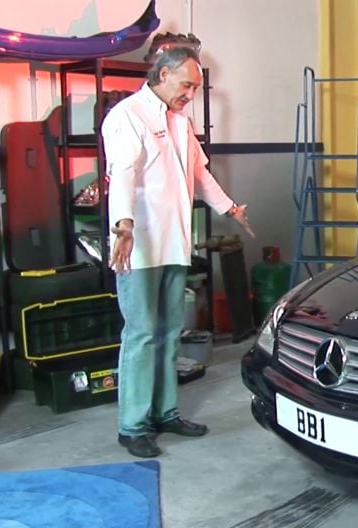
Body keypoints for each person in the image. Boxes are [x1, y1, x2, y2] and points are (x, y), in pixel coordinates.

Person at [103, 46, 255, 458]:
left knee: (170, 332)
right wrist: (124, 225)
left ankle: (165, 411)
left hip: (173, 243)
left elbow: (199, 174)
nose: (191, 93)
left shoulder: (180, 121)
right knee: (140, 335)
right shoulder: (128, 116)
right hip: (138, 245)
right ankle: (132, 425)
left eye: (196, 87)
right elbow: (122, 174)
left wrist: (229, 208)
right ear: (165, 73)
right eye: (187, 84)